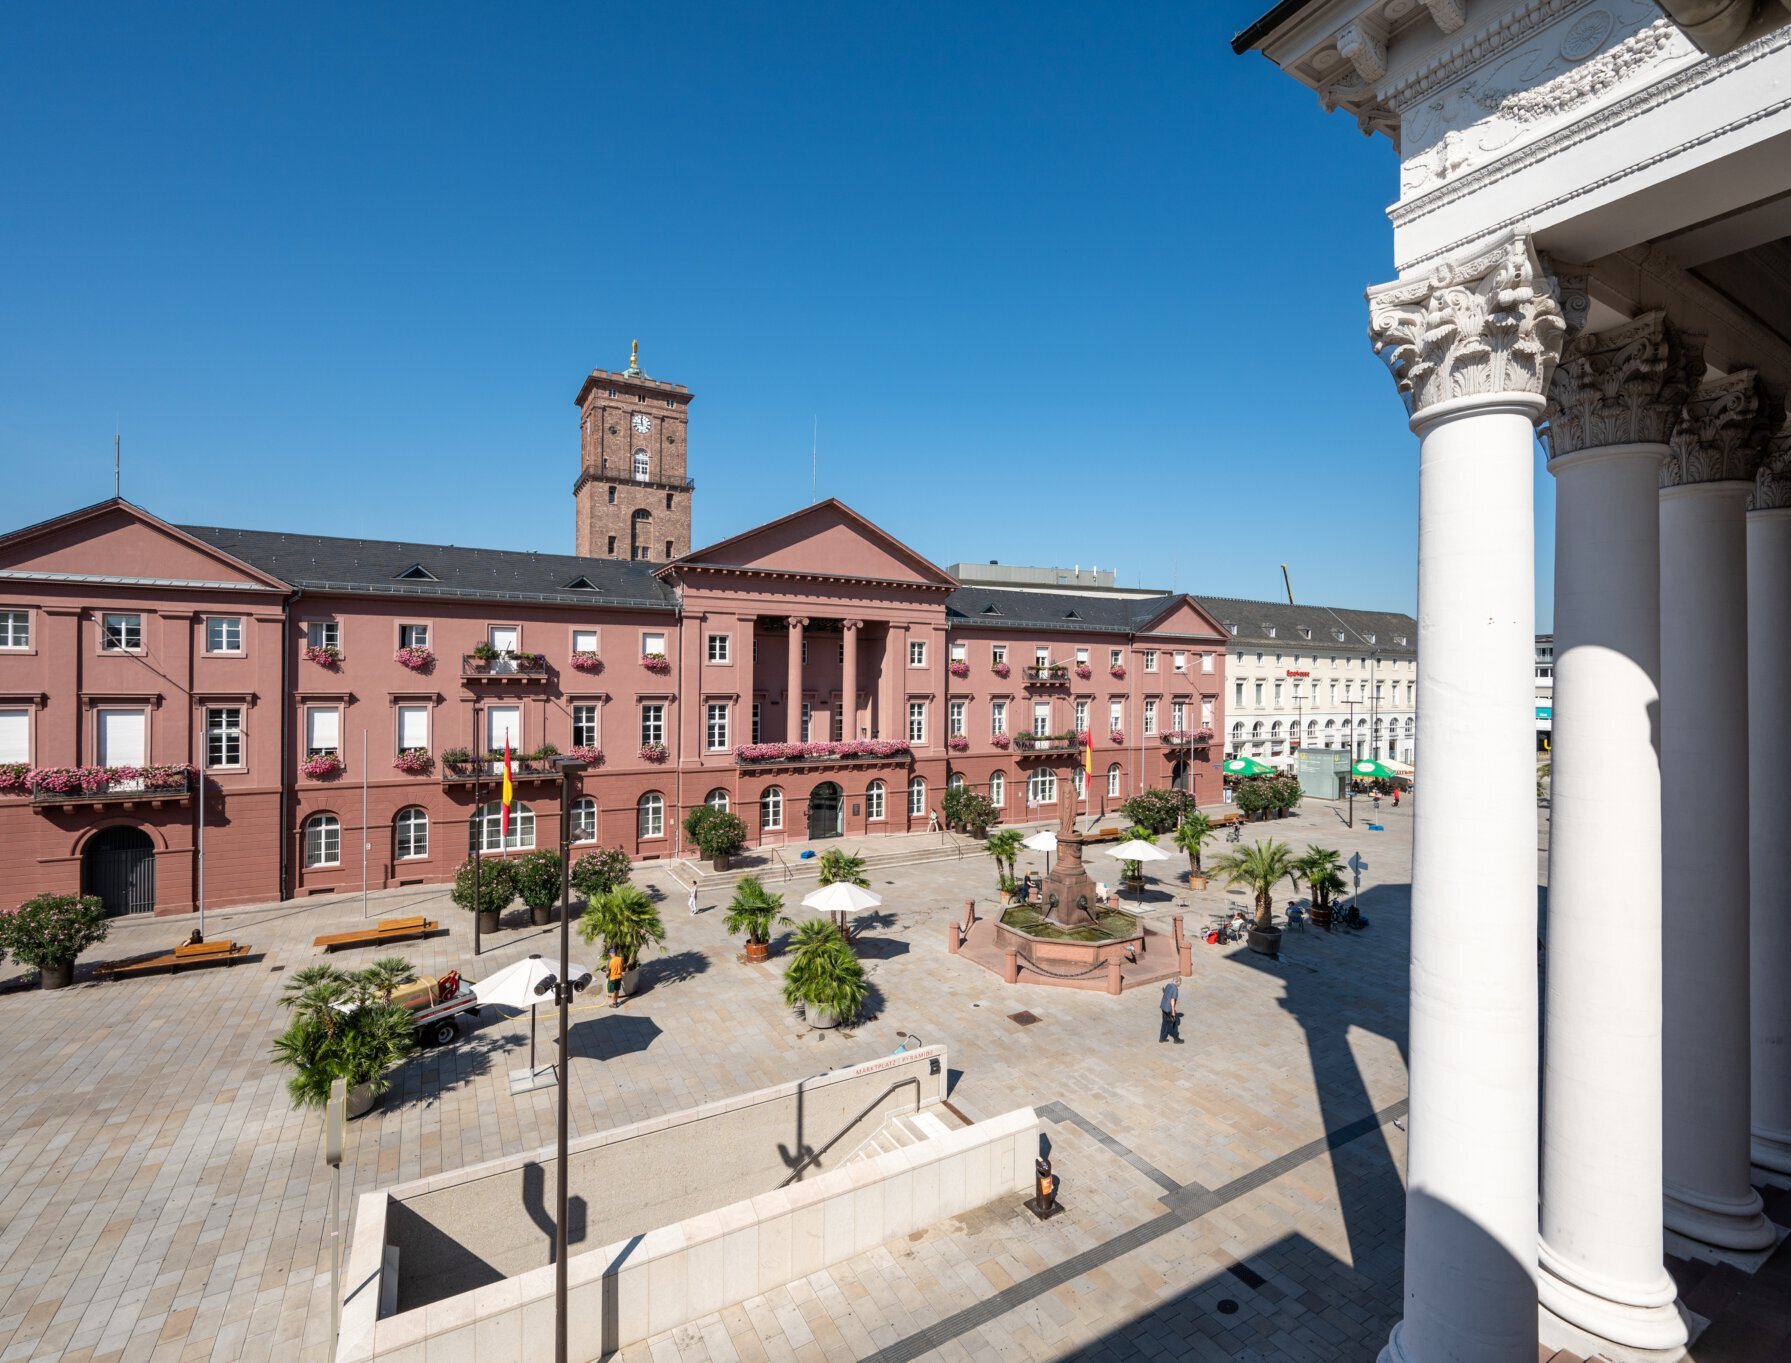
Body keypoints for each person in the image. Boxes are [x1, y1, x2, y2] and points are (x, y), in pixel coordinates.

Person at [1159, 977, 1183, 1044]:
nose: (1180, 984)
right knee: (1174, 1024)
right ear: (1178, 983)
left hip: (1163, 1007)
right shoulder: (1175, 989)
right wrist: (1173, 1011)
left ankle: (1162, 1038)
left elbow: (1165, 992)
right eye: (1180, 983)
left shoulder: (1168, 985)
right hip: (1168, 1009)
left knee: (1164, 1023)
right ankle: (1176, 1039)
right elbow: (1172, 1000)